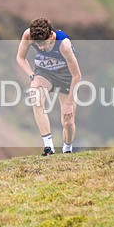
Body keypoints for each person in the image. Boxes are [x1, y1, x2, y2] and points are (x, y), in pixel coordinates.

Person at [16, 17, 82, 156]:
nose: (40, 48)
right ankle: (48, 147)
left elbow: (77, 76)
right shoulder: (29, 35)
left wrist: (69, 103)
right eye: (37, 44)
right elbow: (20, 58)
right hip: (45, 72)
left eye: (44, 44)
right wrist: (32, 76)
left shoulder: (63, 45)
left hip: (66, 76)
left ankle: (67, 149)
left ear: (51, 35)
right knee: (35, 97)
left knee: (68, 121)